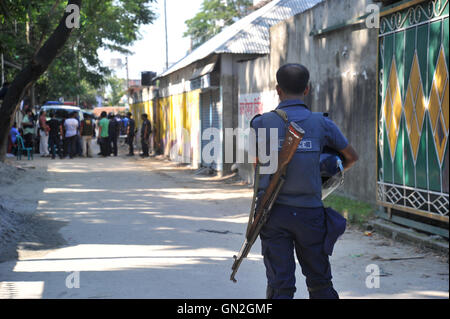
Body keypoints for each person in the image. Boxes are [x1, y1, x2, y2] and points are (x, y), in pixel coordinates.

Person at [250, 64, 358, 299]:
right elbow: (350, 158)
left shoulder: (261, 124)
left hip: (273, 214)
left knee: (280, 286)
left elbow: (258, 168)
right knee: (320, 283)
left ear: (278, 90)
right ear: (307, 89)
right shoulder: (322, 124)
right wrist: (325, 179)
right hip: (311, 214)